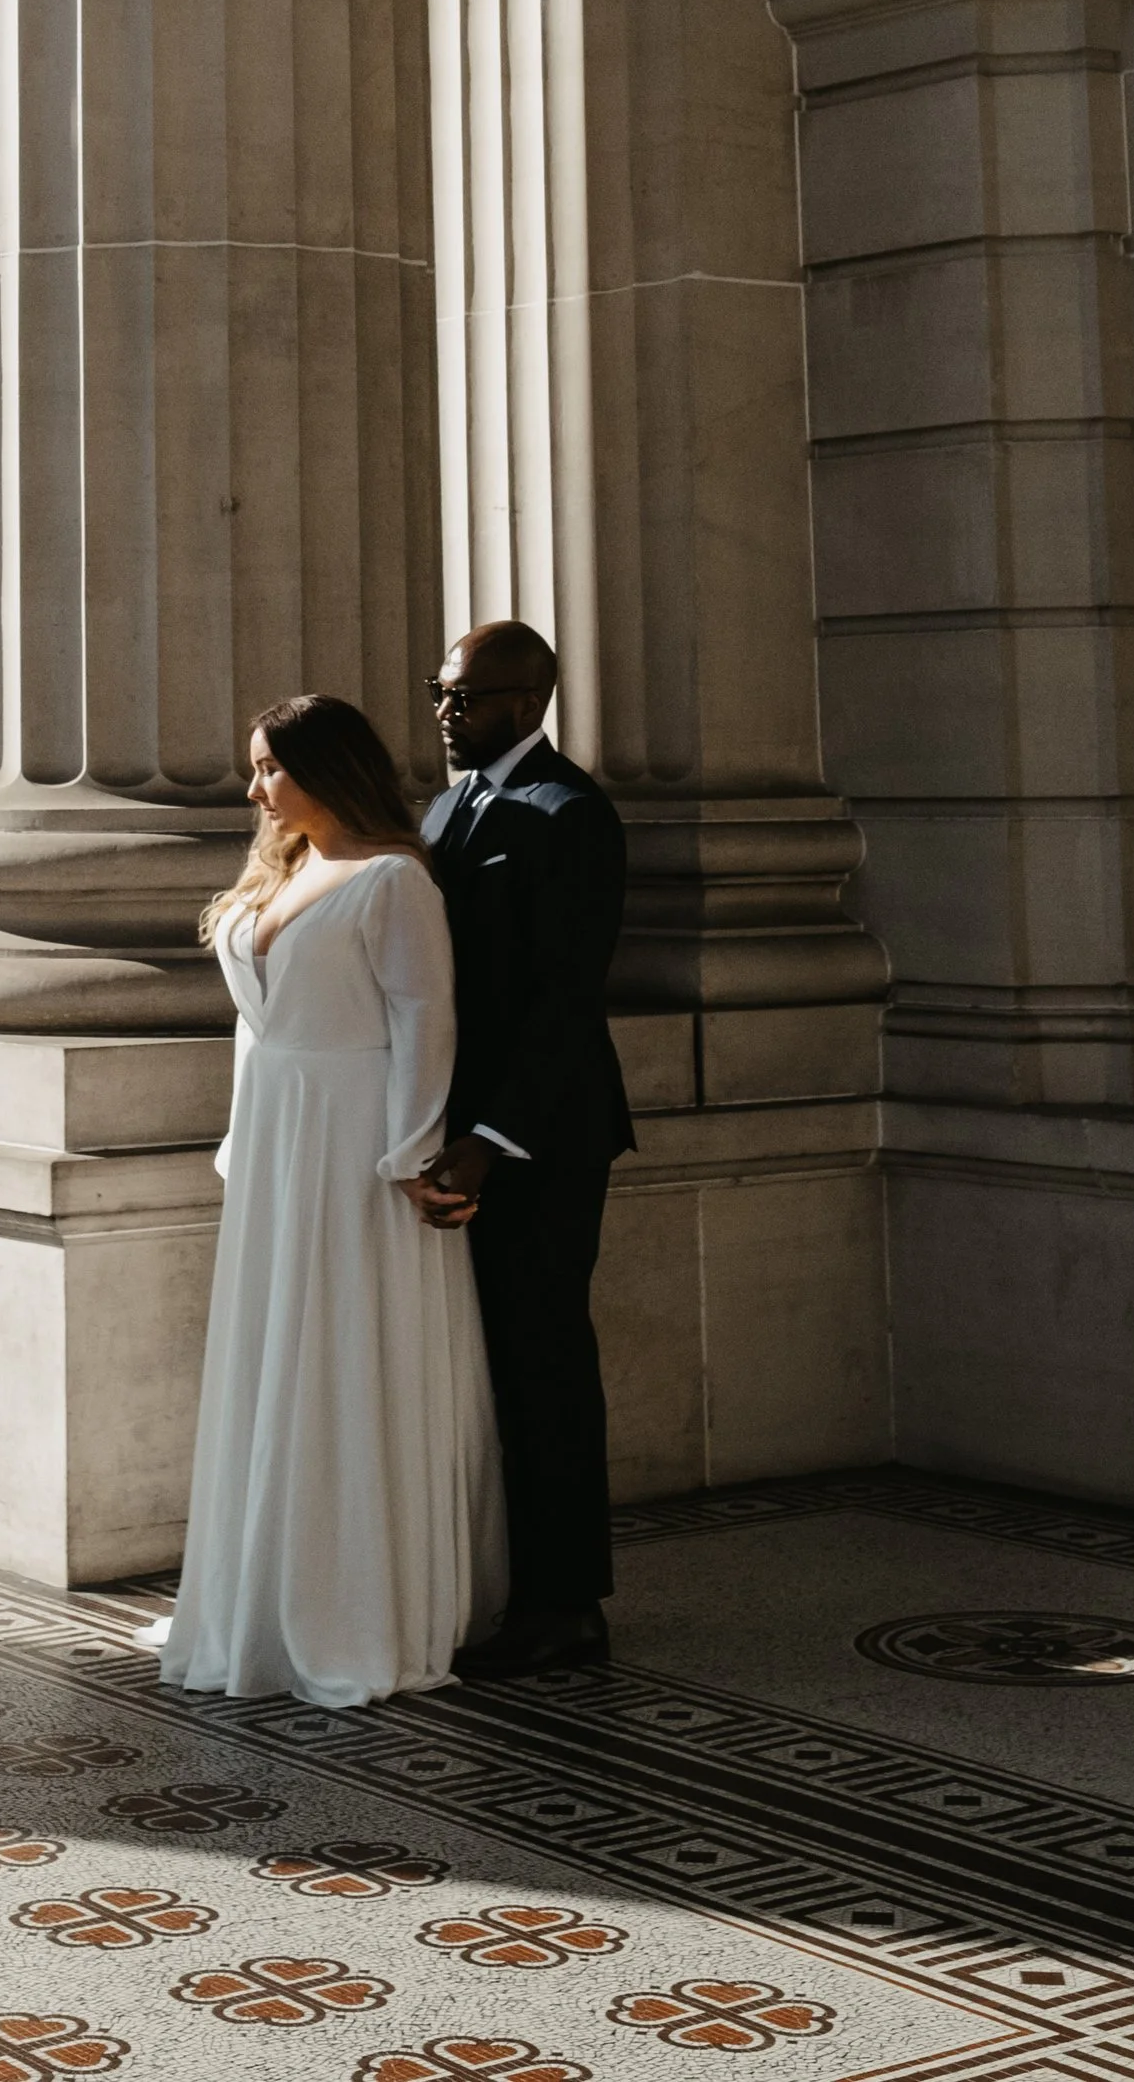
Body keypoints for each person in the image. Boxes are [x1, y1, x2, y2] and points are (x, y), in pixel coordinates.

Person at [155, 693, 507, 1708]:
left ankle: (357, 1606)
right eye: (253, 770)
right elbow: (253, 1030)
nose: (256, 790)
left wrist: (408, 1155)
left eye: (271, 768)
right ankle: (263, 1591)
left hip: (356, 1142)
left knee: (350, 1349)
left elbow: (422, 1021)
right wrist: (240, 1140)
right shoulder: (288, 870)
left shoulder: (394, 879)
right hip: (276, 1146)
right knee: (278, 1353)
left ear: (328, 768)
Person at [416, 618, 633, 1681]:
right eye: (440, 692)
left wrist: (490, 1143)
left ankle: (566, 1606)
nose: (447, 712)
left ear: (528, 700)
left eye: (468, 695)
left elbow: (562, 1002)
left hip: (540, 1143)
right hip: (457, 1136)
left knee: (545, 1367)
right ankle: (502, 1578)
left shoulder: (569, 813)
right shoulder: (446, 806)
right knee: (489, 1368)